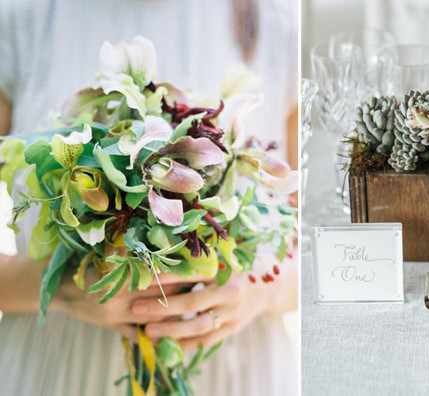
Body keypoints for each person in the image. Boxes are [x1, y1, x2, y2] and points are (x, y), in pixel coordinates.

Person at [0, 1, 298, 395]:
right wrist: (63, 286)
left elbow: (316, 252)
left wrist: (260, 290)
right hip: (57, 367)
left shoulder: (279, 19)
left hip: (237, 372)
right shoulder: (22, 17)